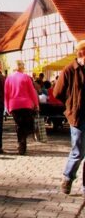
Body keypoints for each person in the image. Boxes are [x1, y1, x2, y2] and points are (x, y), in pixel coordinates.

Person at [53, 40, 85, 195]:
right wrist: (71, 103)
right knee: (78, 151)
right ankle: (68, 177)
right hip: (77, 116)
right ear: (81, 52)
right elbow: (57, 92)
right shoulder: (69, 70)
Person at [4, 61, 39, 155]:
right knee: (26, 125)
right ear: (21, 67)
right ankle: (23, 141)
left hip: (14, 105)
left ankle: (21, 143)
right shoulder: (26, 77)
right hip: (26, 104)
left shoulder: (8, 78)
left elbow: (6, 94)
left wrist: (6, 107)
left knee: (19, 125)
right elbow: (32, 92)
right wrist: (36, 104)